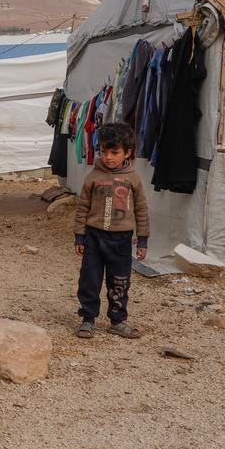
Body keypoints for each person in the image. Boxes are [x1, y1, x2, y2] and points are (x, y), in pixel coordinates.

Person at [72, 122, 149, 340]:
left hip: (122, 239)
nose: (108, 157)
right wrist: (79, 235)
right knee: (89, 279)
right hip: (94, 237)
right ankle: (88, 318)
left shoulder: (133, 178)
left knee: (119, 280)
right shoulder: (93, 176)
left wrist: (142, 239)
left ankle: (117, 320)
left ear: (128, 152)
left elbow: (141, 209)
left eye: (114, 152)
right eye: (104, 151)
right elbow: (82, 208)